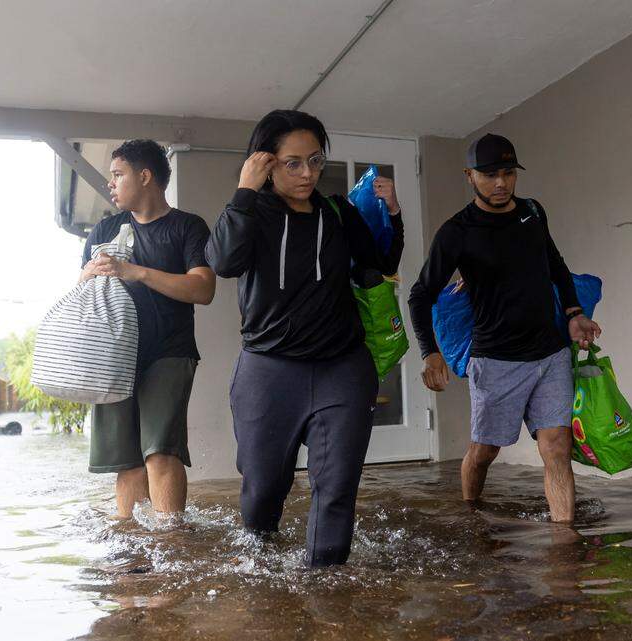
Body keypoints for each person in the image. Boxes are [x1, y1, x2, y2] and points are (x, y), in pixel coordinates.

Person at [205, 110, 403, 566]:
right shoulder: (250, 211)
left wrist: (393, 213)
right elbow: (223, 263)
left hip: (342, 368)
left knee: (336, 486)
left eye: (315, 161)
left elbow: (382, 261)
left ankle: (327, 594)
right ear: (266, 162)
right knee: (262, 489)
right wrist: (244, 190)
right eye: (292, 163)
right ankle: (263, 578)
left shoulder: (336, 212)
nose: (307, 173)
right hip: (268, 372)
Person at [407, 134, 601, 523]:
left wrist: (574, 313)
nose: (500, 182)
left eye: (508, 173)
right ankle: (472, 517)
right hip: (495, 360)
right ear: (470, 176)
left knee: (557, 447)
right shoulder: (457, 232)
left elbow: (556, 266)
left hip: (550, 353)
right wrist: (430, 352)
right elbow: (420, 294)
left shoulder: (532, 212)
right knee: (485, 452)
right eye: (489, 174)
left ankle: (565, 545)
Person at [79, 139, 216, 521]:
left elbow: (203, 289)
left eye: (118, 174)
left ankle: (171, 545)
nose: (111, 183)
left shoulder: (187, 227)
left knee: (160, 451)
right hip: (116, 357)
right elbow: (82, 290)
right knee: (127, 460)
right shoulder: (104, 229)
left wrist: (135, 271)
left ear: (145, 176)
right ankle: (133, 557)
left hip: (170, 351)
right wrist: (88, 274)